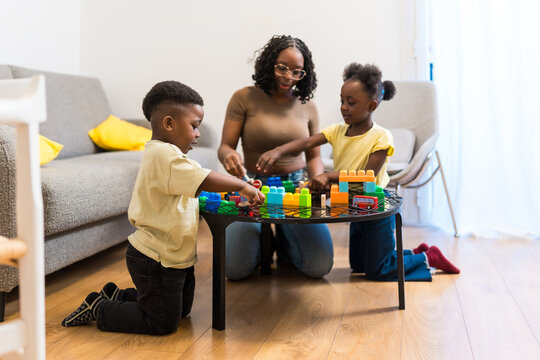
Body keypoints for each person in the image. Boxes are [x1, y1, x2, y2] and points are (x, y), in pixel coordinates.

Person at [62, 80, 265, 334]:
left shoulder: (171, 156)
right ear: (169, 124)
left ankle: (116, 294)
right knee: (162, 322)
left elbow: (186, 193)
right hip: (154, 258)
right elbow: (204, 178)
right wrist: (241, 186)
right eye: (194, 126)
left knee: (181, 311)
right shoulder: (164, 156)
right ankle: (100, 308)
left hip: (174, 256)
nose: (198, 133)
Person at [257, 63, 460, 281]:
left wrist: (329, 177)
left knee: (377, 269)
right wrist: (278, 151)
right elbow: (307, 142)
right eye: (342, 101)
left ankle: (427, 258)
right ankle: (413, 254)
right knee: (359, 264)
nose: (344, 107)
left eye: (351, 103)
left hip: (375, 206)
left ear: (371, 105)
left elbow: (368, 178)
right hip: (353, 205)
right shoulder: (337, 131)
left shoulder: (381, 137)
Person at [218, 35, 334, 280]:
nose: (288, 77)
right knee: (235, 269)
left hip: (295, 189)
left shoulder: (308, 105)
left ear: (305, 74)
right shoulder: (244, 97)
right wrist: (229, 156)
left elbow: (314, 156)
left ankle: (282, 234)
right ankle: (264, 236)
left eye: (297, 72)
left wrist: (318, 180)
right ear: (269, 63)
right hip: (252, 188)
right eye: (282, 67)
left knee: (319, 266)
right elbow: (226, 147)